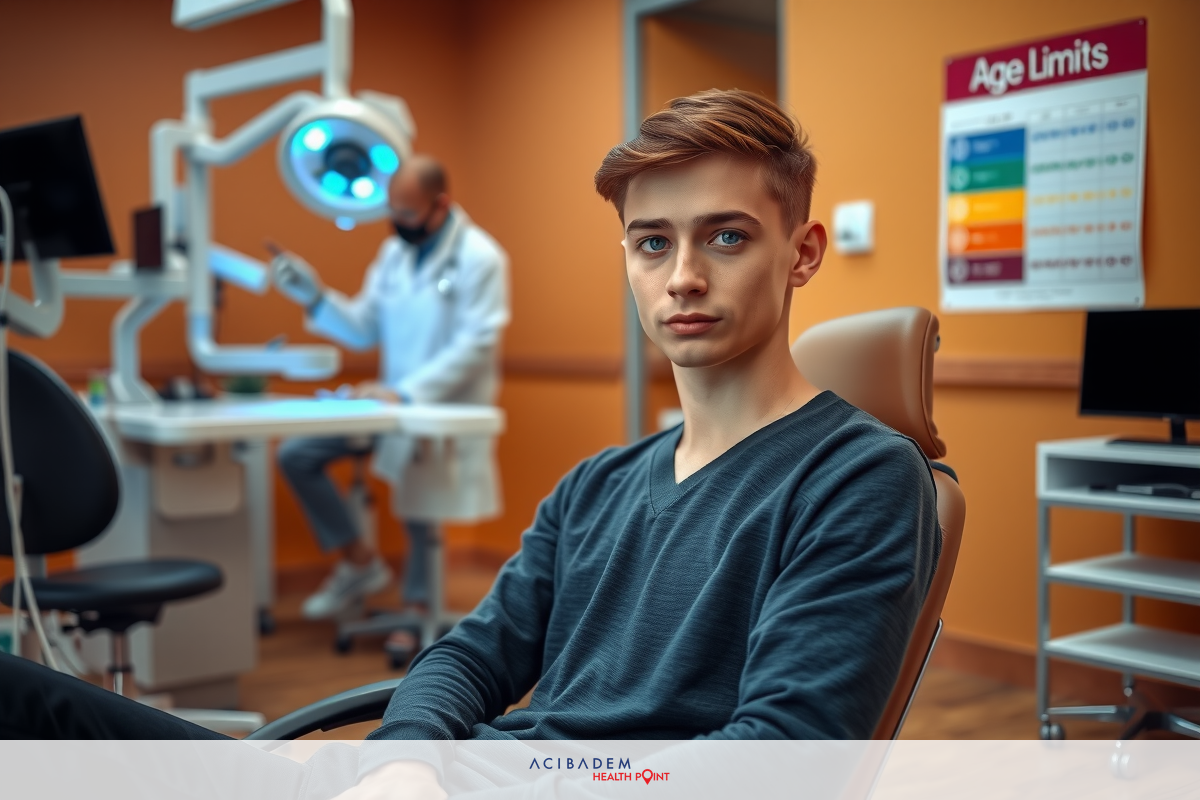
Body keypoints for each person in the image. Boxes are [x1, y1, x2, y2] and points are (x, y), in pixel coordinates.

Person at [0, 91, 939, 797]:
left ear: (804, 253)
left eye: (725, 238)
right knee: (27, 702)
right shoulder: (595, 487)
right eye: (652, 244)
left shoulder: (857, 477)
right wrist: (408, 761)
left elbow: (777, 763)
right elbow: (468, 657)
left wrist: (502, 777)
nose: (683, 277)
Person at [271, 155, 509, 655]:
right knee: (297, 454)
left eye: (408, 214)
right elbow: (361, 326)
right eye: (393, 212)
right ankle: (359, 561)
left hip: (440, 408)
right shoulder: (393, 256)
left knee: (420, 506)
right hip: (391, 406)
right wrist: (314, 298)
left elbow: (475, 346)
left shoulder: (481, 258)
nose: (397, 224)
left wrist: (406, 392)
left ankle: (419, 610)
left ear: (440, 205)